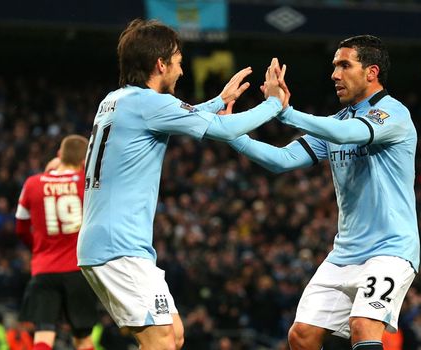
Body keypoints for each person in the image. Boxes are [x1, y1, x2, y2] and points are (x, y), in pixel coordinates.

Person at [76, 18, 285, 350]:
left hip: (115, 244)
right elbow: (223, 130)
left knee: (173, 334)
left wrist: (218, 101)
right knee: (159, 341)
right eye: (178, 63)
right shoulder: (150, 104)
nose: (182, 72)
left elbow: (176, 117)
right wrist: (274, 105)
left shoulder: (117, 100)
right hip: (119, 248)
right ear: (160, 64)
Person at [228, 35, 418, 350]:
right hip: (344, 254)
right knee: (301, 336)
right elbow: (282, 160)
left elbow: (350, 134)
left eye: (344, 65)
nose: (334, 74)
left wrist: (285, 112)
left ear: (371, 72)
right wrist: (232, 132)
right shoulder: (335, 122)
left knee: (364, 325)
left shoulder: (392, 114)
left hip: (390, 250)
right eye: (334, 66)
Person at [15, 135, 97, 350]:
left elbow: (21, 227)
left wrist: (38, 247)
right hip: (78, 269)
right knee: (83, 337)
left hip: (44, 269)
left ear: (59, 155)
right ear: (84, 160)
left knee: (43, 334)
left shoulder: (32, 183)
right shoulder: (86, 184)